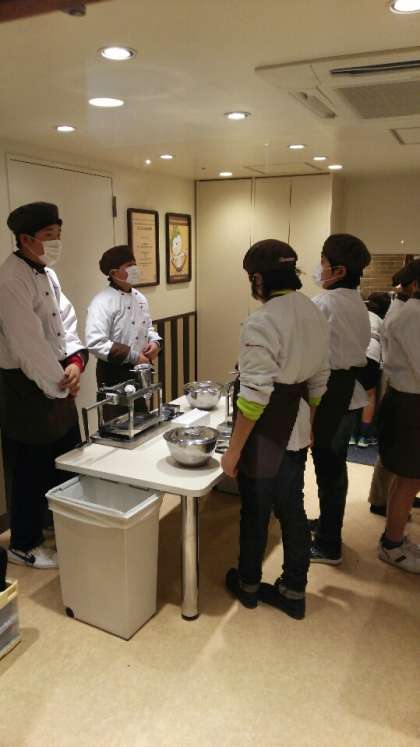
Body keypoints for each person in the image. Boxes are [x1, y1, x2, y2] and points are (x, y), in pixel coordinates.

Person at [221, 239, 330, 620]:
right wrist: (309, 427)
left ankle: (248, 584)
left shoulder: (262, 320)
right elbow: (319, 381)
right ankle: (294, 590)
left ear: (258, 279)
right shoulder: (313, 310)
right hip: (297, 425)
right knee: (291, 509)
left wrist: (233, 451)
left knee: (255, 509)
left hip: (266, 432)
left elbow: (254, 398)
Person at [0, 202, 88, 569]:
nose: (56, 242)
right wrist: (62, 384)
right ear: (25, 239)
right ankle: (23, 543)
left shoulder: (48, 273)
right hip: (24, 386)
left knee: (66, 457)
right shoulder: (11, 279)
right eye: (49, 236)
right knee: (28, 468)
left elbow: (66, 321)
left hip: (57, 379)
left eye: (58, 234)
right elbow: (27, 345)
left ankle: (59, 523)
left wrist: (76, 363)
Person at [310, 234, 371, 565]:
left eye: (323, 261)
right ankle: (327, 526)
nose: (319, 266)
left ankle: (328, 543)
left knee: (329, 468)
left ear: (339, 269)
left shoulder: (325, 303)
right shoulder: (355, 300)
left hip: (331, 392)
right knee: (334, 466)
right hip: (348, 391)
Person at [376, 260, 420, 572]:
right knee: (410, 478)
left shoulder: (404, 308)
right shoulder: (412, 314)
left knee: (405, 477)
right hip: (410, 401)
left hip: (404, 398)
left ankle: (394, 538)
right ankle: (392, 545)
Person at [85, 245, 161, 403]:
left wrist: (155, 343)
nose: (135, 269)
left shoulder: (140, 298)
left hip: (141, 369)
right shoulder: (102, 302)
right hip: (114, 374)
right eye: (129, 265)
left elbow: (148, 327)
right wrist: (133, 356)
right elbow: (96, 342)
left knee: (142, 415)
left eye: (135, 263)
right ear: (113, 273)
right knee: (119, 417)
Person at [349, 292, 391, 448]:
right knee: (369, 395)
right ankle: (364, 437)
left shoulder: (358, 313)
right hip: (372, 355)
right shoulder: (382, 321)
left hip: (354, 353)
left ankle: (351, 435)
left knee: (352, 393)